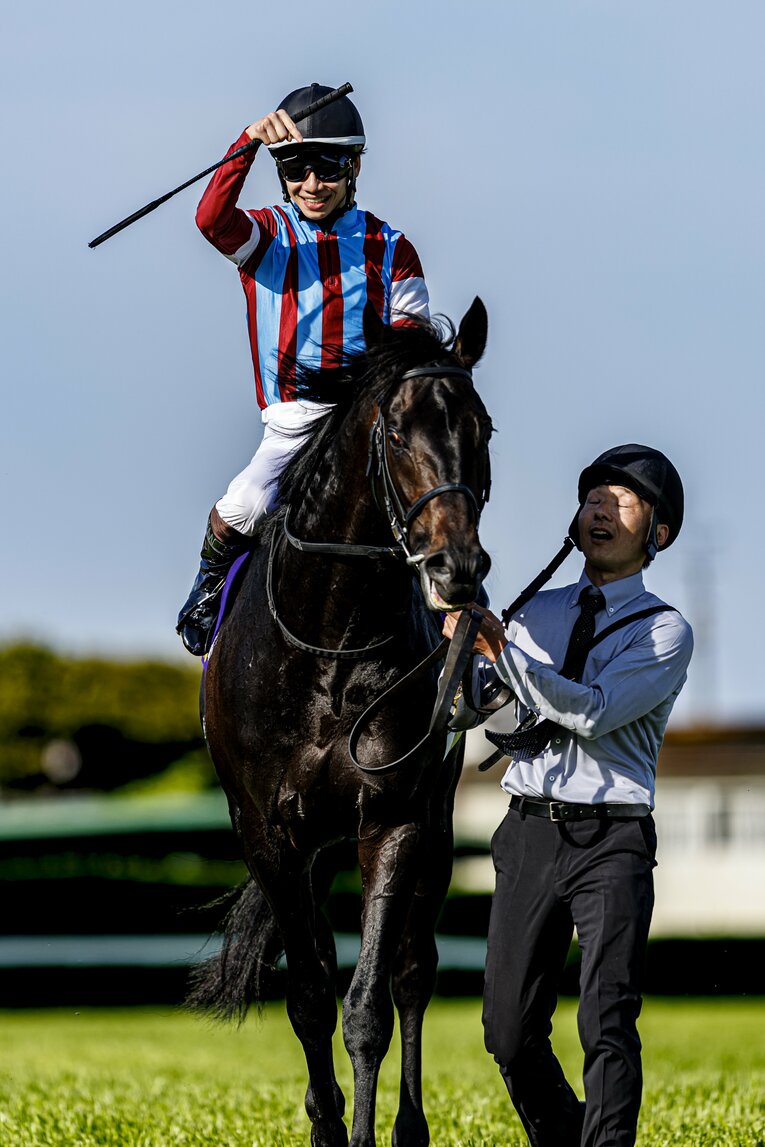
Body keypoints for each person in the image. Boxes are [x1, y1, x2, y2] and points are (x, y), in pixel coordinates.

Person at [443, 443, 693, 1147]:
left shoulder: (663, 629)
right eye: (592, 498)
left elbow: (590, 710)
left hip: (612, 838)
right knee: (505, 1030)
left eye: (621, 501)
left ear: (658, 532)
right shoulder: (532, 612)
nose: (600, 510)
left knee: (605, 1015)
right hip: (527, 831)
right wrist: (460, 662)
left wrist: (502, 654)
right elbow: (484, 713)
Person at [177, 83, 429, 655]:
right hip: (293, 421)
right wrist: (246, 144)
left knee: (439, 509)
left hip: (369, 419)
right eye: (295, 169)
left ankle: (466, 635)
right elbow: (212, 219)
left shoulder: (393, 247)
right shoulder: (267, 234)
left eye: (327, 169)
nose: (312, 184)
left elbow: (411, 344)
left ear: (354, 165)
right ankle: (207, 585)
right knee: (246, 504)